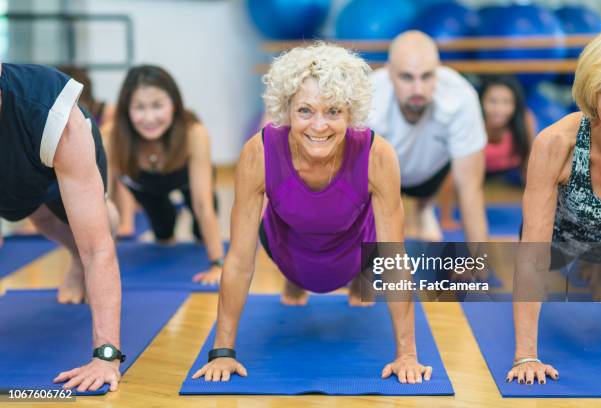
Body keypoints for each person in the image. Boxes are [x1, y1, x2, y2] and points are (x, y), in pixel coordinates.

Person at [191, 43, 432, 383]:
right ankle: (296, 278)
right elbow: (240, 260)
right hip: (284, 245)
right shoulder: (258, 152)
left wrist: (407, 354)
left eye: (333, 111)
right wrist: (223, 353)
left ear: (351, 114)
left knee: (364, 254)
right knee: (298, 262)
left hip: (356, 247)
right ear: (286, 110)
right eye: (305, 111)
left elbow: (394, 258)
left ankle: (354, 278)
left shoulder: (378, 155)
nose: (319, 126)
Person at [0, 63, 123, 391]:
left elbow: (98, 249)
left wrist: (106, 356)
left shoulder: (52, 114)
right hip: (16, 174)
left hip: (54, 149)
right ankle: (72, 259)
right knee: (40, 217)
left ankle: (103, 215)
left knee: (98, 227)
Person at [509, 28, 601, 385]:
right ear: (592, 90)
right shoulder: (557, 143)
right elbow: (533, 253)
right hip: (557, 241)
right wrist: (526, 355)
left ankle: (599, 271)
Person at [104, 65, 224, 284]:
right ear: (126, 109)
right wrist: (95, 266)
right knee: (163, 232)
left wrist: (217, 263)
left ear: (174, 105)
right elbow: (103, 202)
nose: (149, 118)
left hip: (185, 179)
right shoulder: (112, 136)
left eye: (157, 106)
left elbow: (202, 203)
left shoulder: (193, 132)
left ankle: (198, 233)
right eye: (139, 107)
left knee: (201, 230)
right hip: (145, 185)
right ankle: (166, 217)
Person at [368, 31, 488, 242]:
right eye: (406, 77)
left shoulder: (460, 97)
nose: (418, 89)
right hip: (381, 177)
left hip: (431, 177)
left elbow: (469, 189)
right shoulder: (368, 98)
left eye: (426, 76)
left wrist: (477, 261)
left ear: (438, 71)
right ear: (389, 72)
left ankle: (425, 208)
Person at [438, 75, 537, 228]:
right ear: (481, 102)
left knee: (535, 171)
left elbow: (530, 161)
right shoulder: (471, 120)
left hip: (508, 165)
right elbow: (451, 174)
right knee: (451, 173)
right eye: (493, 102)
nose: (499, 109)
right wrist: (446, 219)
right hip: (477, 167)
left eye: (506, 102)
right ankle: (445, 217)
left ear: (515, 105)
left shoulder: (525, 120)